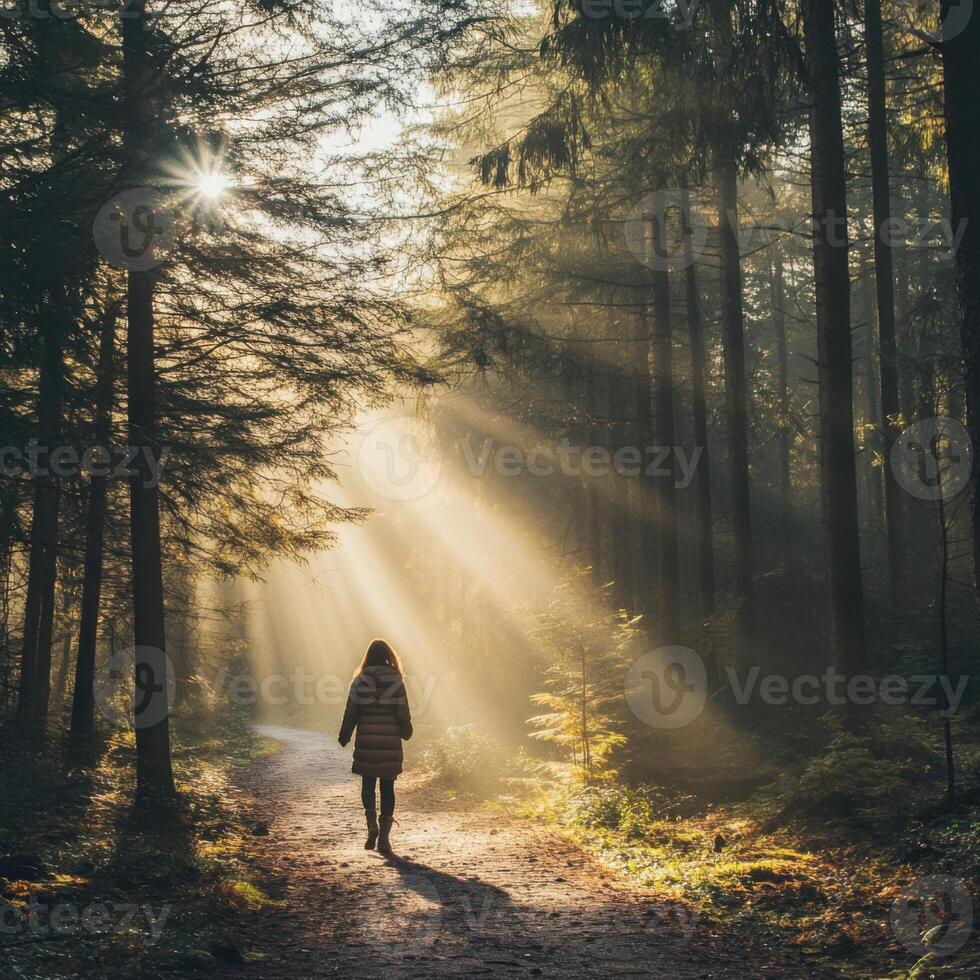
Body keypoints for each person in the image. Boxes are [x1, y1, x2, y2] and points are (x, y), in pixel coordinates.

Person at [338, 639, 413, 854]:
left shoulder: (360, 680)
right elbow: (402, 709)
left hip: (367, 740)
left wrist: (345, 735)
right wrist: (406, 730)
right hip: (389, 740)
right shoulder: (396, 680)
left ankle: (371, 825)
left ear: (368, 656)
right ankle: (385, 839)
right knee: (388, 788)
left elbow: (351, 710)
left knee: (368, 784)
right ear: (389, 656)